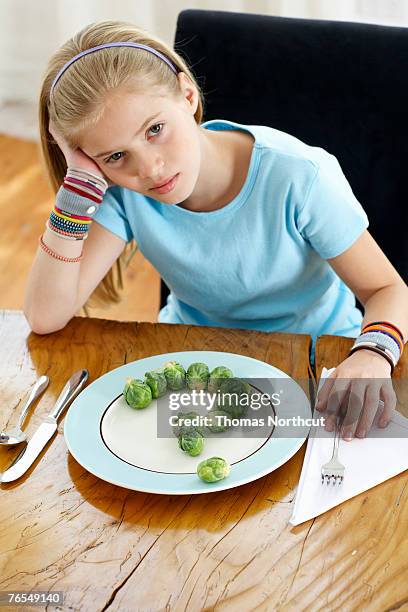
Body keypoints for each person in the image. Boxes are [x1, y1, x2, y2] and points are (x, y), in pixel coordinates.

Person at [24, 20, 408, 440]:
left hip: (315, 366)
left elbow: (388, 290)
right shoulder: (122, 194)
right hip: (195, 368)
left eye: (155, 130)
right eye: (116, 155)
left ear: (187, 95)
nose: (149, 169)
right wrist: (76, 193)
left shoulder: (299, 176)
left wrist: (375, 353)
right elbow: (46, 316)